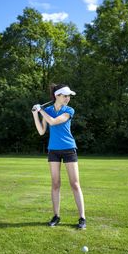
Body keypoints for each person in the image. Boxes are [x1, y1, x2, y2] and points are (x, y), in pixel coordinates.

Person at [32, 84, 86, 229]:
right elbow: (42, 131)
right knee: (55, 184)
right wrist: (35, 114)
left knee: (75, 184)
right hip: (53, 150)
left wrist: (41, 110)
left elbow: (53, 121)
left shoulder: (69, 110)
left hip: (69, 149)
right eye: (65, 96)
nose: (68, 98)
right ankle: (56, 216)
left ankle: (82, 218)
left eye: (69, 96)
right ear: (57, 96)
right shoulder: (48, 110)